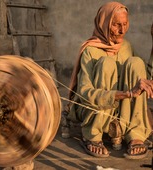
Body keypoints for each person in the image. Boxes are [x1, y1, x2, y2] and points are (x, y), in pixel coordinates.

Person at [63, 2, 152, 159]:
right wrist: (127, 93)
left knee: (136, 63)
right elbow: (85, 93)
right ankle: (92, 135)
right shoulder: (90, 51)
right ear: (104, 23)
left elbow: (145, 77)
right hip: (94, 110)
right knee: (106, 63)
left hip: (121, 111)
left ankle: (135, 133)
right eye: (116, 25)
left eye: (125, 24)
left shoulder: (126, 46)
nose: (122, 30)